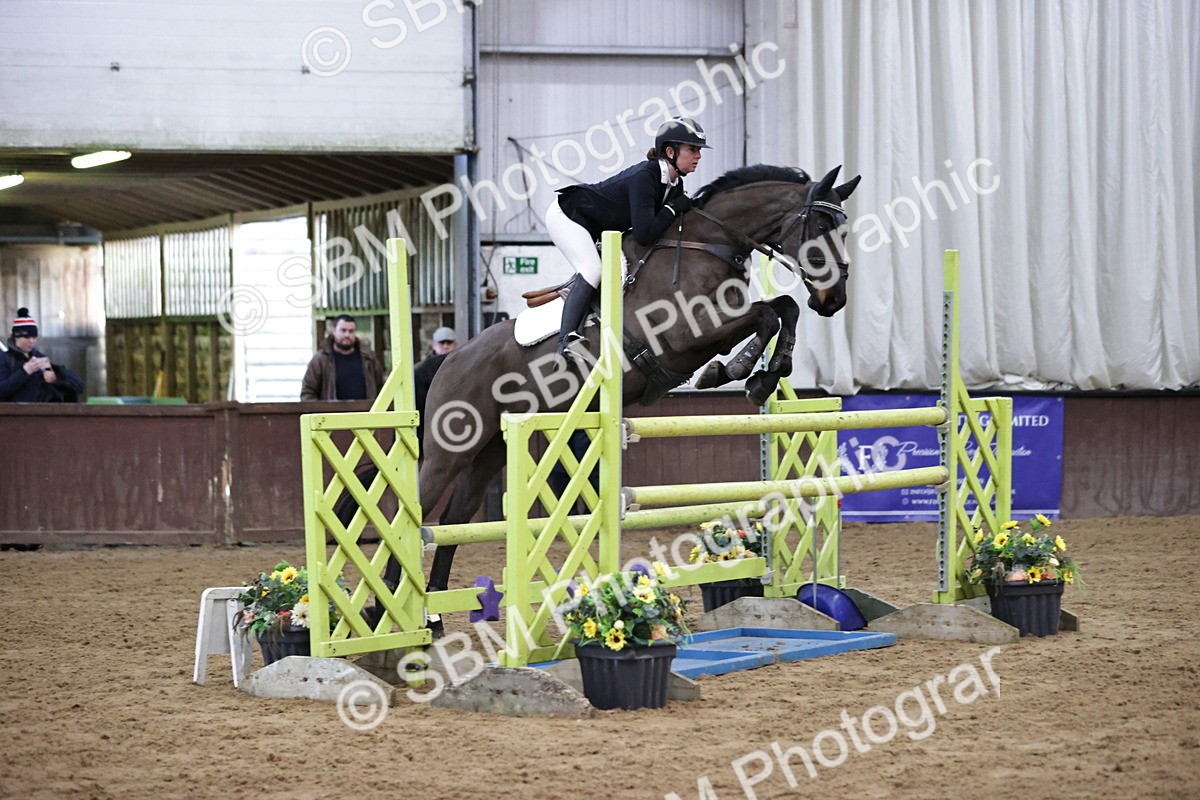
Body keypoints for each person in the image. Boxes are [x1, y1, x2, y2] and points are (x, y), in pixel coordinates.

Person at [547, 116, 709, 361]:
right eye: (693, 150)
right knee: (593, 269)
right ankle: (565, 340)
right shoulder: (647, 176)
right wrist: (672, 209)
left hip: (596, 226)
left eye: (698, 150)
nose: (698, 156)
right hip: (569, 216)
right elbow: (644, 234)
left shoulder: (673, 185)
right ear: (670, 151)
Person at [0, 308, 85, 402]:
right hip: (13, 414)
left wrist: (55, 378)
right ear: (16, 337)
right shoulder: (4, 359)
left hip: (41, 413)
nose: (31, 341)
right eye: (27, 337)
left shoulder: (39, 358)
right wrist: (24, 372)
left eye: (34, 337)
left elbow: (78, 385)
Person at [300, 314, 385, 401]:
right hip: (332, 413)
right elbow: (308, 393)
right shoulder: (320, 360)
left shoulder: (369, 359)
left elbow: (382, 389)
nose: (347, 335)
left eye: (351, 331)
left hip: (365, 413)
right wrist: (322, 412)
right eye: (343, 330)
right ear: (334, 331)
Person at [414, 326, 458, 453]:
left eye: (449, 343)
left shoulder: (462, 369)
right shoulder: (421, 371)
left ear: (455, 344)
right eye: (442, 343)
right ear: (434, 345)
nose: (445, 346)